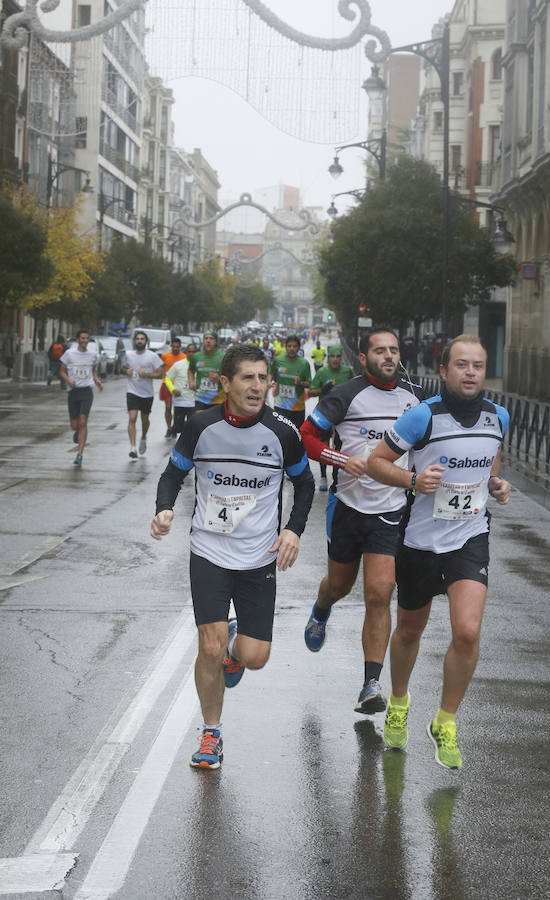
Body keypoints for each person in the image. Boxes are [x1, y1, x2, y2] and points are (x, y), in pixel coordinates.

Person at [151, 344, 315, 770]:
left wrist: (293, 530)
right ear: (225, 383)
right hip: (208, 550)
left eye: (263, 378)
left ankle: (234, 646)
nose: (257, 386)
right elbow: (173, 473)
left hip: (258, 558)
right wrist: (164, 509)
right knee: (209, 645)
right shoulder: (201, 426)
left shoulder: (282, 431)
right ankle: (211, 734)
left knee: (254, 657)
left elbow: (305, 484)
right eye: (248, 378)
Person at [366, 334, 511, 769]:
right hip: (420, 541)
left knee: (467, 632)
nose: (471, 373)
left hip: (469, 537)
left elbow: (490, 464)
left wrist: (495, 486)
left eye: (478, 366)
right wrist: (412, 482)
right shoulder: (421, 417)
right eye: (462, 365)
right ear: (444, 370)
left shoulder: (498, 416)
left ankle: (445, 720)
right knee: (410, 629)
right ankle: (398, 701)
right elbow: (376, 462)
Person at [300, 329, 424, 713]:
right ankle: (322, 606)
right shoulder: (344, 394)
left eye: (393, 350)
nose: (388, 356)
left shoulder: (414, 398)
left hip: (390, 509)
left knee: (380, 592)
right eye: (379, 350)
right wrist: (340, 460)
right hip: (348, 507)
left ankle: (371, 683)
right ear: (364, 356)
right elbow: (307, 436)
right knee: (340, 585)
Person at [307, 345, 354, 492]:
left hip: (343, 416)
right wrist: (323, 390)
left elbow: (356, 391)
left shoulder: (347, 372)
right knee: (324, 446)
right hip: (325, 415)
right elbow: (311, 393)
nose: (335, 359)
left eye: (338, 356)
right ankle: (323, 476)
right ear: (328, 358)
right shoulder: (322, 372)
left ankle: (337, 478)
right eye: (332, 356)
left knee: (340, 447)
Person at [59, 329, 103, 467]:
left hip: (86, 391)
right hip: (73, 391)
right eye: (82, 338)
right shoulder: (69, 354)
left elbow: (93, 371)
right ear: (77, 339)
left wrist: (97, 380)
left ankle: (79, 454)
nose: (85, 341)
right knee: (74, 425)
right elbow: (61, 370)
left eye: (87, 338)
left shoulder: (92, 355)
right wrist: (68, 381)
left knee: (83, 421)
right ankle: (77, 431)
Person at [122, 330, 165, 459]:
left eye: (142, 339)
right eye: (137, 339)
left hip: (147, 393)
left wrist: (147, 374)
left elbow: (160, 374)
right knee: (132, 418)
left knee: (144, 419)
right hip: (132, 390)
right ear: (134, 341)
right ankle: (133, 448)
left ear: (146, 342)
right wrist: (126, 371)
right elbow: (123, 368)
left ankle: (144, 437)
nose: (139, 341)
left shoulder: (152, 356)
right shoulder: (128, 355)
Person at [270, 334, 312, 429]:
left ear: (298, 348)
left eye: (294, 346)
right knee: (280, 432)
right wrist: (269, 382)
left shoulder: (304, 364)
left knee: (296, 435)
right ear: (286, 347)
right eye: (289, 346)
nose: (292, 349)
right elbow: (270, 373)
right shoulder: (278, 361)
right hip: (280, 405)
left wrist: (301, 383)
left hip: (297, 407)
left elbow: (309, 384)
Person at [188, 331, 226, 410]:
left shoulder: (223, 356)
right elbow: (191, 370)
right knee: (198, 421)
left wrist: (219, 379)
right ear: (203, 341)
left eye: (211, 338)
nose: (208, 341)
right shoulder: (196, 356)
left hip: (218, 399)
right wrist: (191, 382)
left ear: (215, 342)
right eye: (206, 338)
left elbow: (231, 376)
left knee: (214, 421)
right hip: (200, 398)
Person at [164, 342, 197, 433]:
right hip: (180, 401)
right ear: (185, 352)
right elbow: (167, 379)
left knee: (192, 427)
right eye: (189, 351)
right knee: (179, 428)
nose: (191, 354)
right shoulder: (178, 365)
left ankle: (188, 445)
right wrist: (173, 390)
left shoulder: (201, 366)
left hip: (194, 401)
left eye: (193, 352)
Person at [159, 338, 185, 437]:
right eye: (173, 347)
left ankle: (175, 427)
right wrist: (162, 376)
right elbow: (161, 368)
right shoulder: (165, 356)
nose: (175, 348)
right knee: (168, 407)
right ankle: (169, 428)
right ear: (171, 346)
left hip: (179, 385)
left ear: (180, 347)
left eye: (177, 347)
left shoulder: (184, 357)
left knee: (177, 409)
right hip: (167, 385)